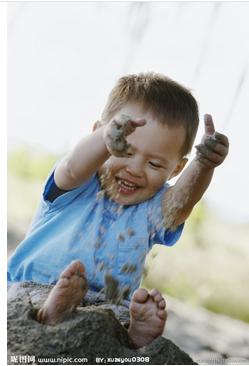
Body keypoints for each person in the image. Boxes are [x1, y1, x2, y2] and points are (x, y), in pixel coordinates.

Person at [8, 72, 229, 348]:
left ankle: (134, 334)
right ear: (99, 133)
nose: (135, 169)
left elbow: (180, 205)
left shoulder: (151, 209)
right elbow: (73, 165)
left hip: (108, 306)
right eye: (124, 150)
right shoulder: (78, 182)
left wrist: (204, 164)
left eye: (155, 165)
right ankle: (54, 312)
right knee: (41, 300)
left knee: (119, 320)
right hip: (34, 287)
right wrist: (105, 140)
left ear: (176, 169)